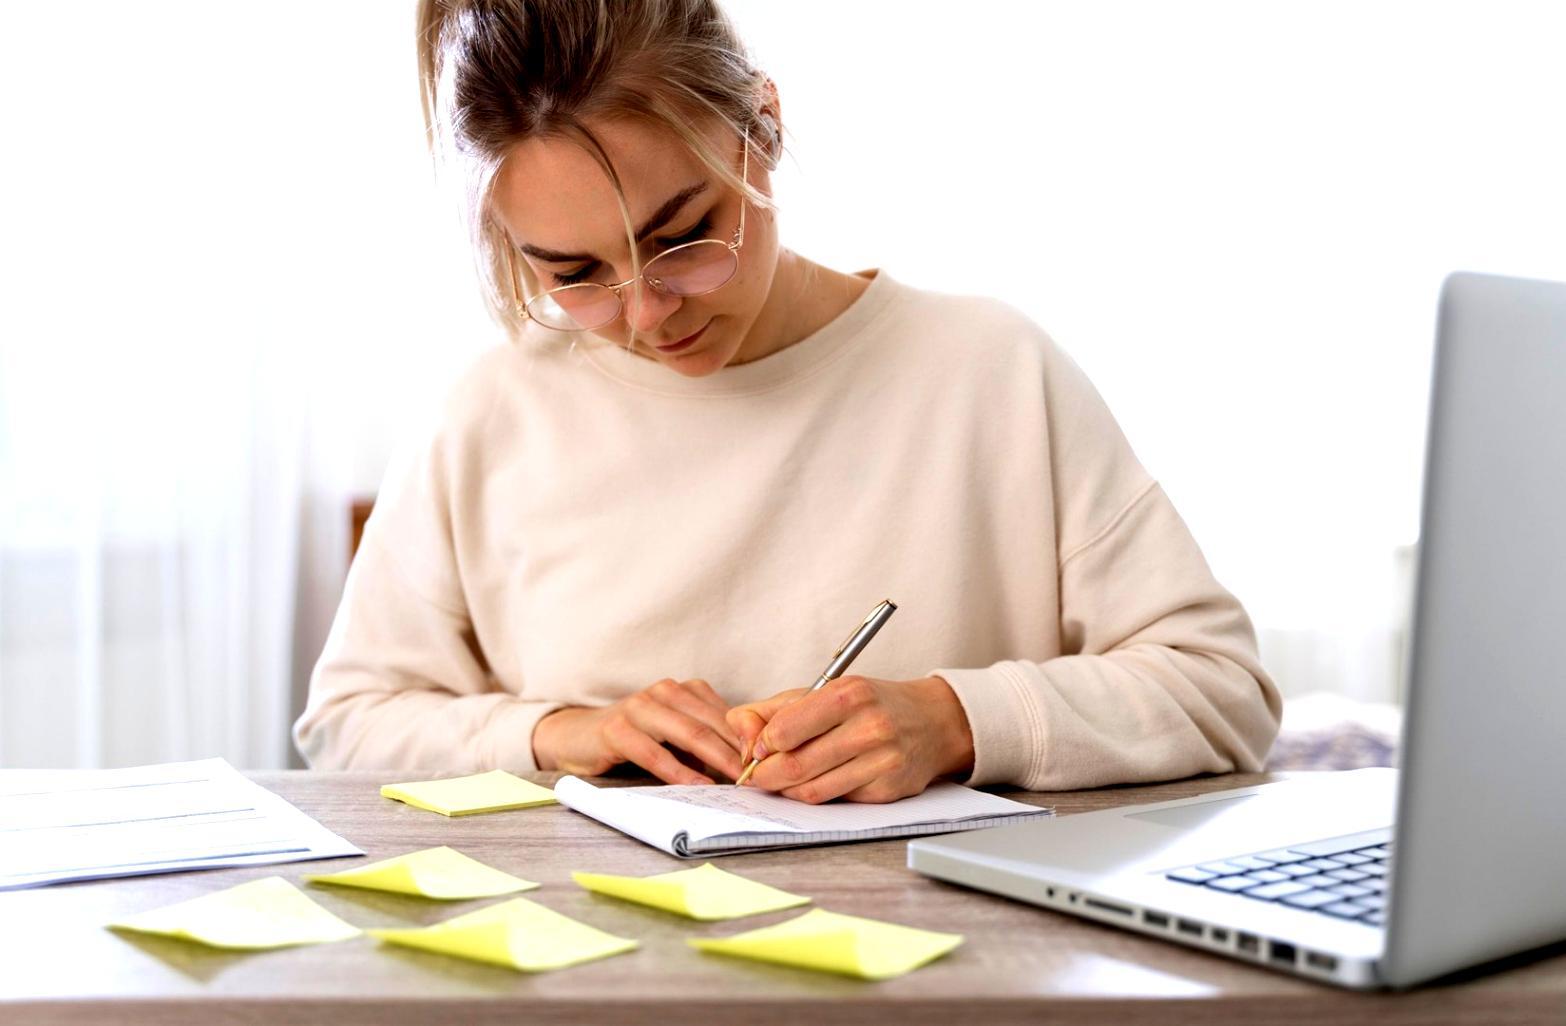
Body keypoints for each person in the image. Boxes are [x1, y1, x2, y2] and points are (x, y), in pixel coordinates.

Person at [293, 0, 1281, 802]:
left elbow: (1220, 689)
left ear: (763, 125)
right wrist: (558, 733)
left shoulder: (990, 370)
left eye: (683, 236)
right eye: (575, 274)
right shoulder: (489, 414)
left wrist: (954, 721)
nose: (643, 313)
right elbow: (349, 725)